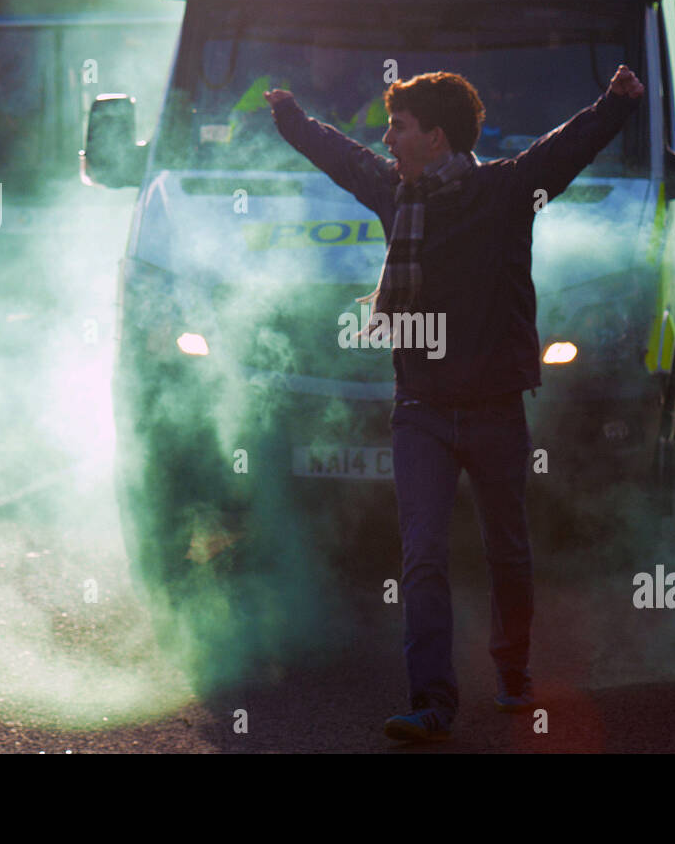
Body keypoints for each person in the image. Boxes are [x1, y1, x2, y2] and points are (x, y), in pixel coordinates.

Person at [265, 66, 643, 742]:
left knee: (508, 551)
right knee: (424, 555)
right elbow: (341, 157)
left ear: (435, 137)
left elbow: (564, 149)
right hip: (421, 409)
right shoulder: (394, 190)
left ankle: (513, 672)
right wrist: (292, 119)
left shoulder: (502, 190)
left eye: (400, 126)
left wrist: (613, 105)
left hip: (496, 406)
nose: (386, 137)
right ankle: (432, 702)